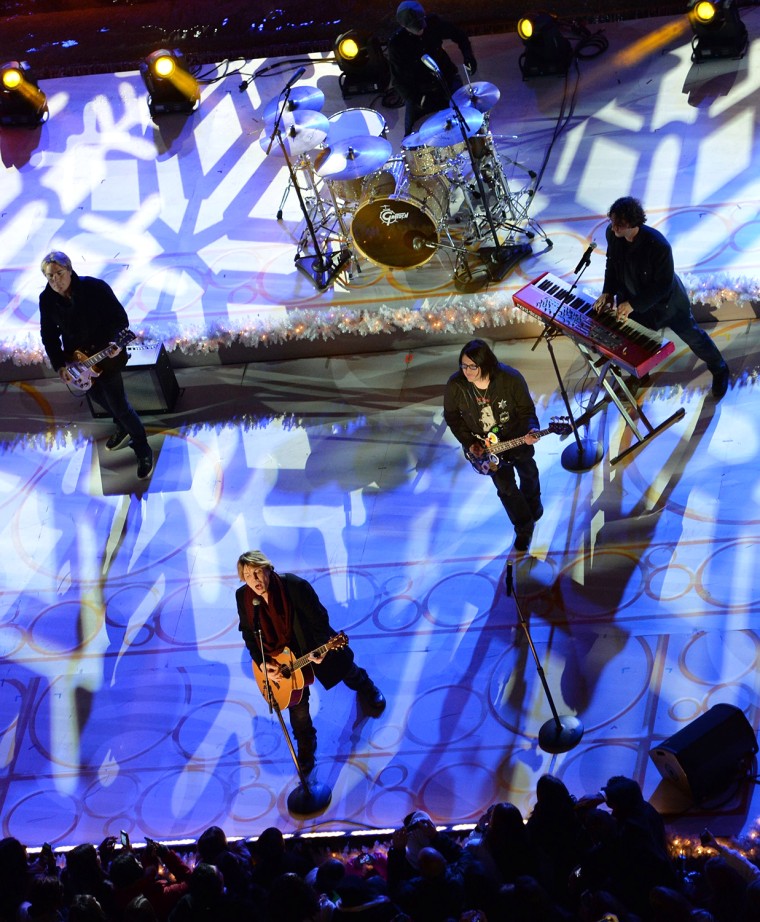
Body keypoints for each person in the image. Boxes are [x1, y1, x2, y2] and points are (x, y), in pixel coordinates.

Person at [236, 550, 386, 775]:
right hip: (279, 659)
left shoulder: (294, 587)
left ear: (268, 568)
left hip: (311, 644)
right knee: (297, 708)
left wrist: (321, 648)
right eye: (248, 575)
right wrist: (262, 662)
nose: (254, 580)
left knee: (345, 668)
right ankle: (306, 746)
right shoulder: (243, 598)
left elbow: (319, 618)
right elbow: (249, 634)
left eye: (258, 572)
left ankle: (366, 686)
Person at [593, 197, 731, 400]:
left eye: (619, 225)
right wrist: (607, 292)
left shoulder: (658, 246)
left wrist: (633, 304)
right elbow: (612, 264)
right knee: (635, 342)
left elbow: (663, 285)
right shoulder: (613, 235)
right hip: (634, 301)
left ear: (633, 224)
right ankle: (640, 374)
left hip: (668, 305)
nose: (613, 229)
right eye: (612, 222)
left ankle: (720, 369)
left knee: (694, 338)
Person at [39, 251, 154, 479]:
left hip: (107, 357)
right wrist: (60, 364)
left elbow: (120, 319)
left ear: (70, 270)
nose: (55, 281)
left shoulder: (95, 288)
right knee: (100, 399)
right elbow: (49, 335)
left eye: (59, 274)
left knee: (119, 405)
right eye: (49, 277)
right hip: (78, 362)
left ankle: (142, 448)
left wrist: (115, 342)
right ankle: (122, 426)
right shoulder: (47, 299)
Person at [443, 339, 543, 552]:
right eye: (463, 365)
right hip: (486, 448)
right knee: (506, 488)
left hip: (515, 437)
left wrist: (532, 429)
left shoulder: (510, 379)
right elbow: (452, 417)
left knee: (529, 473)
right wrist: (470, 443)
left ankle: (533, 505)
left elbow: (527, 411)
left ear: (485, 363)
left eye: (472, 366)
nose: (467, 371)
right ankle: (523, 527)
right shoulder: (456, 385)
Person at [387, 1, 477, 136]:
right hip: (420, 91)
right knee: (412, 138)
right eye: (415, 28)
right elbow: (398, 80)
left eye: (421, 25)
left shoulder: (433, 23)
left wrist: (468, 56)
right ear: (403, 25)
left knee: (468, 121)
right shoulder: (396, 43)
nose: (420, 31)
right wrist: (416, 99)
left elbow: (459, 35)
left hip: (447, 79)